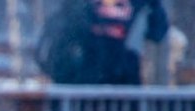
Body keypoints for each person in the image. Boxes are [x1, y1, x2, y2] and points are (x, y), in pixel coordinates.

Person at [38, 0, 171, 85]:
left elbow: (157, 32)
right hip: (81, 86)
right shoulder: (75, 6)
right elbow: (54, 39)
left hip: (123, 87)